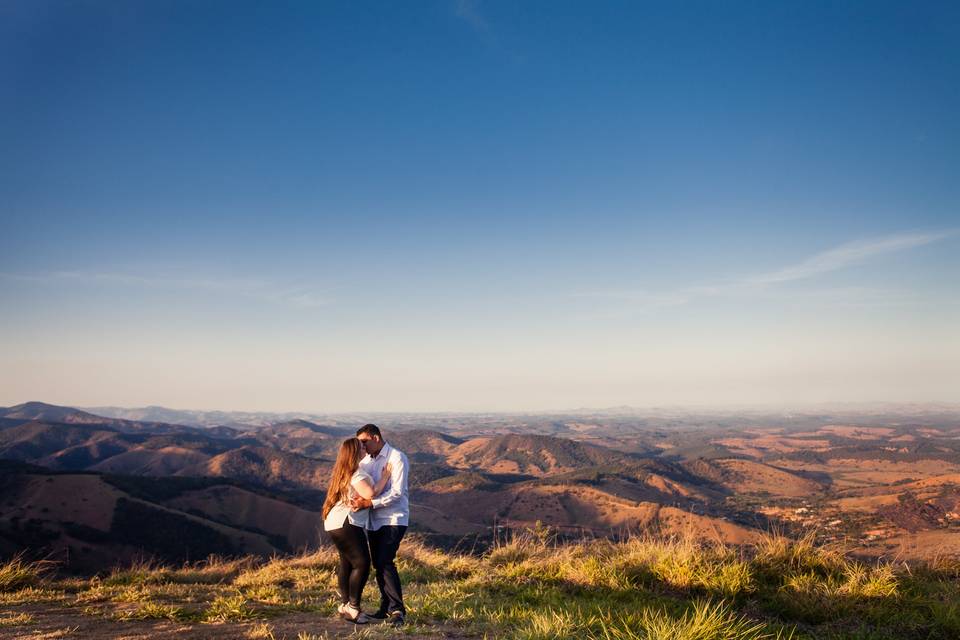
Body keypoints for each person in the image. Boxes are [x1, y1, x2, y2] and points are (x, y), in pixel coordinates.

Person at [322, 437, 392, 624]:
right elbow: (370, 494)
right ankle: (353, 608)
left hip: (335, 522)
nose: (365, 448)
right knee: (362, 563)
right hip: (348, 522)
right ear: (354, 452)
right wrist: (385, 477)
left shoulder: (344, 472)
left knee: (346, 563)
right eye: (361, 447)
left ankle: (346, 605)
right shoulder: (357, 474)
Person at [350, 424, 409, 626]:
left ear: (376, 438)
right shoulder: (365, 461)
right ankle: (386, 607)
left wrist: (369, 503)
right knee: (379, 564)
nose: (362, 446)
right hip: (373, 520)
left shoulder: (396, 458)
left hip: (393, 519)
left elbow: (397, 493)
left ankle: (397, 611)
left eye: (364, 441)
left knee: (385, 561)